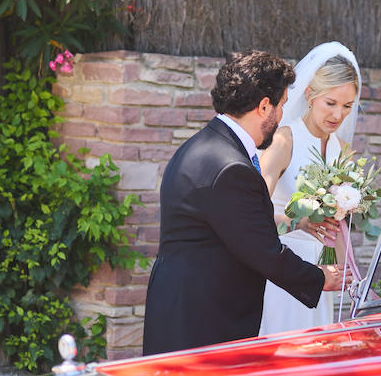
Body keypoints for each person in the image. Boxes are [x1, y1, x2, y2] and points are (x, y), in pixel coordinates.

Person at [142, 50, 350, 355]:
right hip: (204, 321)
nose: (281, 116)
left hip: (179, 309)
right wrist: (320, 277)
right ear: (263, 106)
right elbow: (263, 249)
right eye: (280, 106)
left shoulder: (199, 146)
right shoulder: (232, 168)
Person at [256, 42, 362, 336]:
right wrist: (298, 222)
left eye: (347, 106)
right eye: (331, 103)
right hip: (284, 267)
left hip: (324, 272)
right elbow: (253, 212)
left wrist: (347, 273)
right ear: (309, 94)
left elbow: (340, 225)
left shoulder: (344, 153)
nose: (338, 115)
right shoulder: (284, 141)